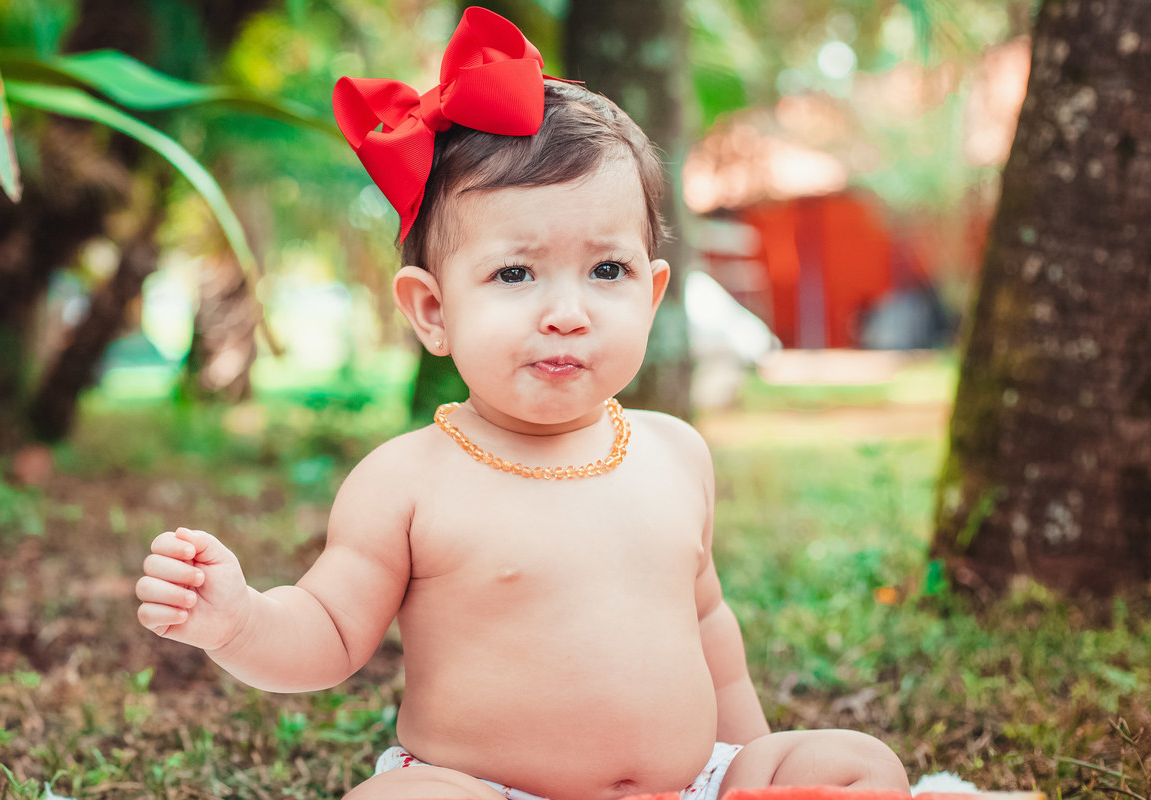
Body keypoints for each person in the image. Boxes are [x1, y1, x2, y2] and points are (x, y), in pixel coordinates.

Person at [136, 8, 910, 800]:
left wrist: (749, 761)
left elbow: (710, 628)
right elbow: (330, 635)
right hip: (487, 789)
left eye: (606, 271)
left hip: (686, 786)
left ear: (651, 295)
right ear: (432, 311)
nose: (567, 311)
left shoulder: (675, 452)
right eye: (516, 274)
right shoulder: (406, 480)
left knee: (856, 763)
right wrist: (235, 620)